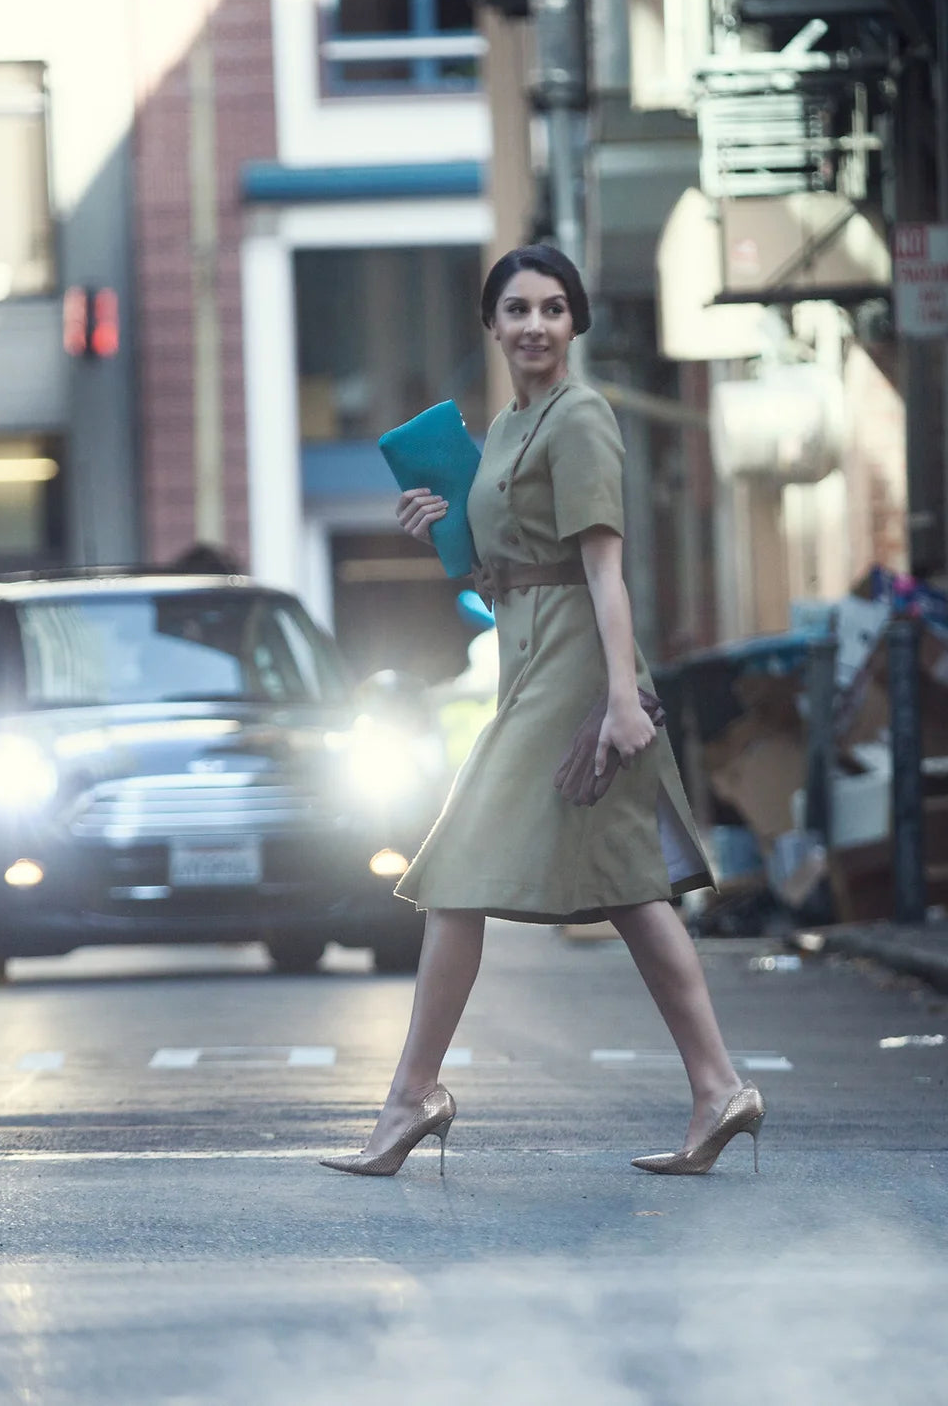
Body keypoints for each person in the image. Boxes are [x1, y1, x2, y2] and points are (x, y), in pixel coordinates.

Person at [321, 244, 765, 1180]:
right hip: (528, 664)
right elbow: (505, 573)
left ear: (576, 324)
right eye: (516, 309)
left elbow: (602, 569)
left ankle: (412, 1095)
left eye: (553, 309)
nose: (534, 325)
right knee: (631, 889)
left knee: (454, 871)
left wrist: (617, 698)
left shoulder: (581, 417)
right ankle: (719, 1087)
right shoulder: (511, 427)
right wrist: (441, 527)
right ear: (492, 325)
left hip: (574, 678)